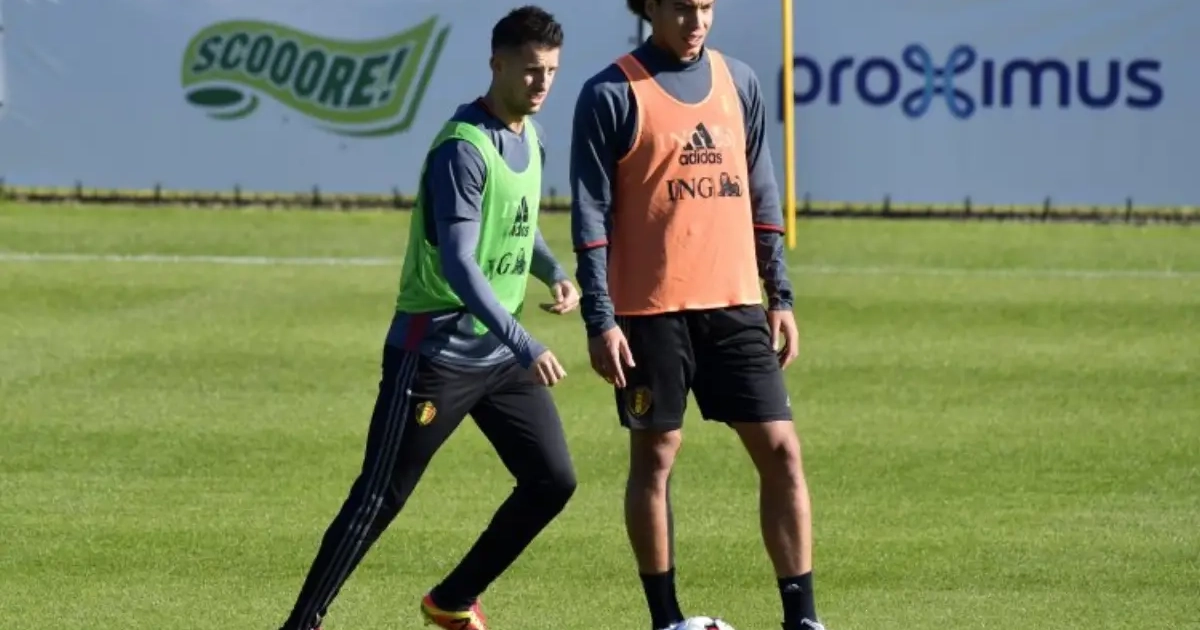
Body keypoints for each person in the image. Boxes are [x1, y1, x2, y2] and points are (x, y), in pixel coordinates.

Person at [276, 7, 575, 630]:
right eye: (530, 70)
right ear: (497, 65)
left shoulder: (532, 137)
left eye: (550, 71)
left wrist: (554, 272)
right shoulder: (462, 148)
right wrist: (525, 342)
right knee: (379, 498)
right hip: (435, 354)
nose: (542, 83)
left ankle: (452, 599)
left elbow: (518, 225)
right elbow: (461, 265)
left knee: (553, 481)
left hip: (496, 356)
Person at [569, 1, 826, 630]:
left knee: (782, 452)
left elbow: (762, 193)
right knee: (656, 457)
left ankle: (803, 619)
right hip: (649, 310)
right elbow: (590, 217)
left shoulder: (740, 81)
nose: (697, 21)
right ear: (651, 7)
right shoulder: (610, 92)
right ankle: (667, 620)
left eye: (707, 6)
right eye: (683, 7)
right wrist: (600, 319)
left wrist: (780, 295)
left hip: (735, 303)